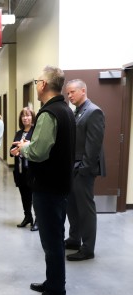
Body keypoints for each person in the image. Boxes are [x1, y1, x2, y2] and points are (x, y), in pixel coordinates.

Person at [11, 65, 76, 295]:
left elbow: (38, 151)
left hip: (48, 188)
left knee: (51, 241)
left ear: (43, 85)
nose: (37, 84)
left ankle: (56, 292)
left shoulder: (49, 114)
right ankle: (53, 282)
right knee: (55, 238)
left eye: (38, 80)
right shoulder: (65, 110)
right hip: (59, 185)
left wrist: (23, 147)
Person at [65, 79, 106, 261]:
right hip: (73, 167)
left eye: (72, 92)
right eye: (68, 93)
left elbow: (93, 146)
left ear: (83, 90)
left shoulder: (93, 112)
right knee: (72, 207)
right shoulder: (77, 112)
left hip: (83, 169)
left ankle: (88, 248)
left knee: (85, 209)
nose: (70, 96)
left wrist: (83, 169)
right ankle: (74, 239)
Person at [10, 107, 38, 231]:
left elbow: (37, 149)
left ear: (32, 117)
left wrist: (26, 145)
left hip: (32, 169)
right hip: (20, 169)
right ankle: (28, 217)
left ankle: (38, 220)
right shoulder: (18, 133)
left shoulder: (36, 131)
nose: (25, 118)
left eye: (28, 115)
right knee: (24, 194)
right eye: (23, 116)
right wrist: (13, 152)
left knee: (34, 195)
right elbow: (13, 150)